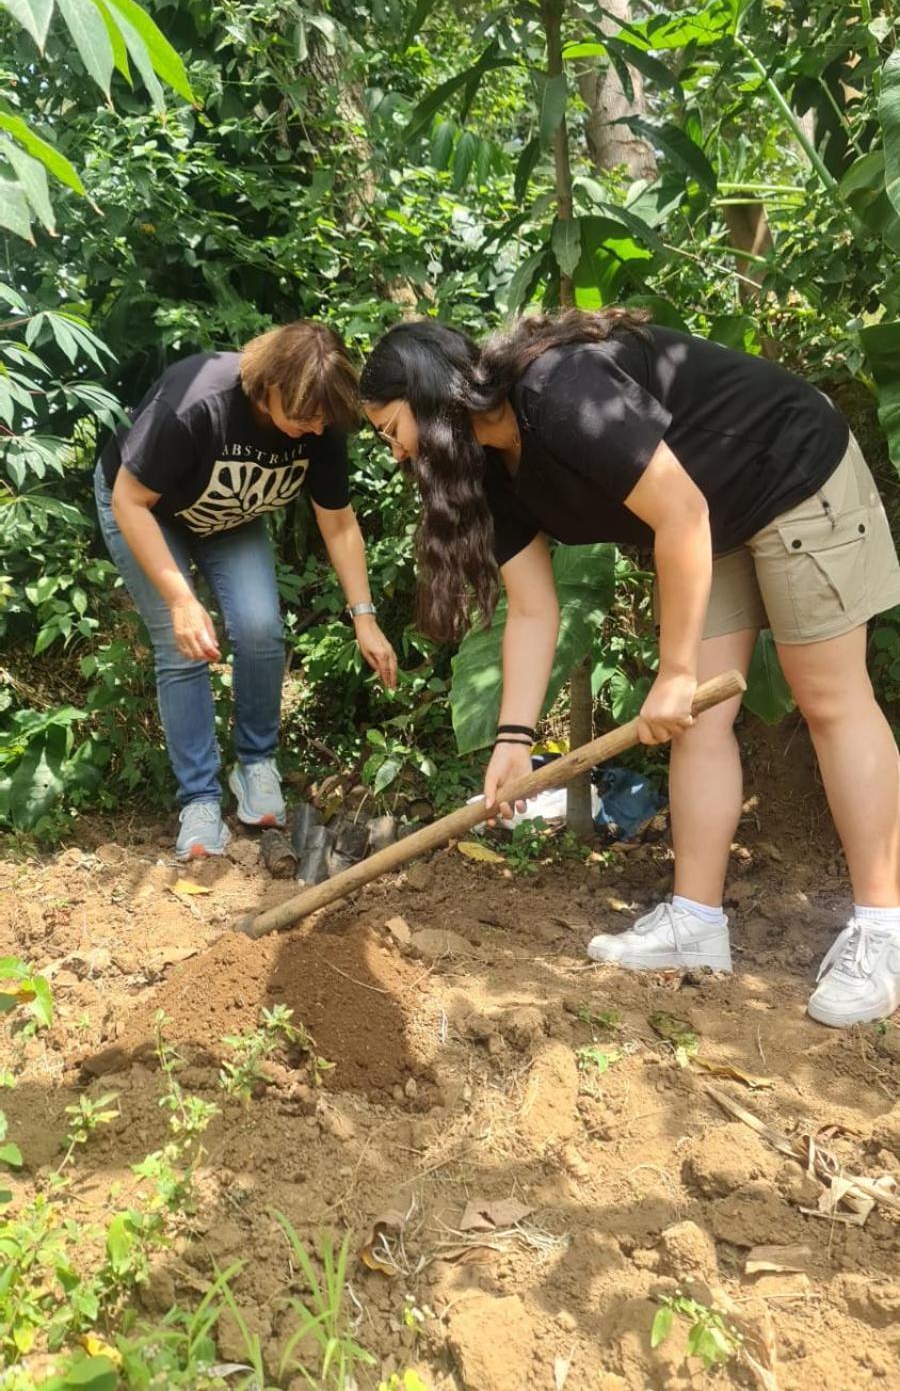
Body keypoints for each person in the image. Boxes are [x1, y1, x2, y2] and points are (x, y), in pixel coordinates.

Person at [359, 309, 900, 1028]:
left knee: (827, 696)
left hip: (790, 468)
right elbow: (532, 609)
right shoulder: (487, 468)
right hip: (717, 515)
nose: (395, 454)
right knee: (698, 724)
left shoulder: (559, 390)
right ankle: (697, 923)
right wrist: (514, 741)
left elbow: (678, 512)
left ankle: (884, 934)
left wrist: (675, 668)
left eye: (391, 430)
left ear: (429, 400)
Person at [95, 320, 396, 860]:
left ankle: (255, 765)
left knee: (259, 628)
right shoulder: (196, 401)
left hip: (228, 515)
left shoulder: (318, 421)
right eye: (304, 417)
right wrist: (182, 599)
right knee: (179, 641)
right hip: (144, 510)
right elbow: (129, 501)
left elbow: (339, 524)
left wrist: (364, 617)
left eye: (323, 419)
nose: (314, 428)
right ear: (268, 387)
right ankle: (199, 800)